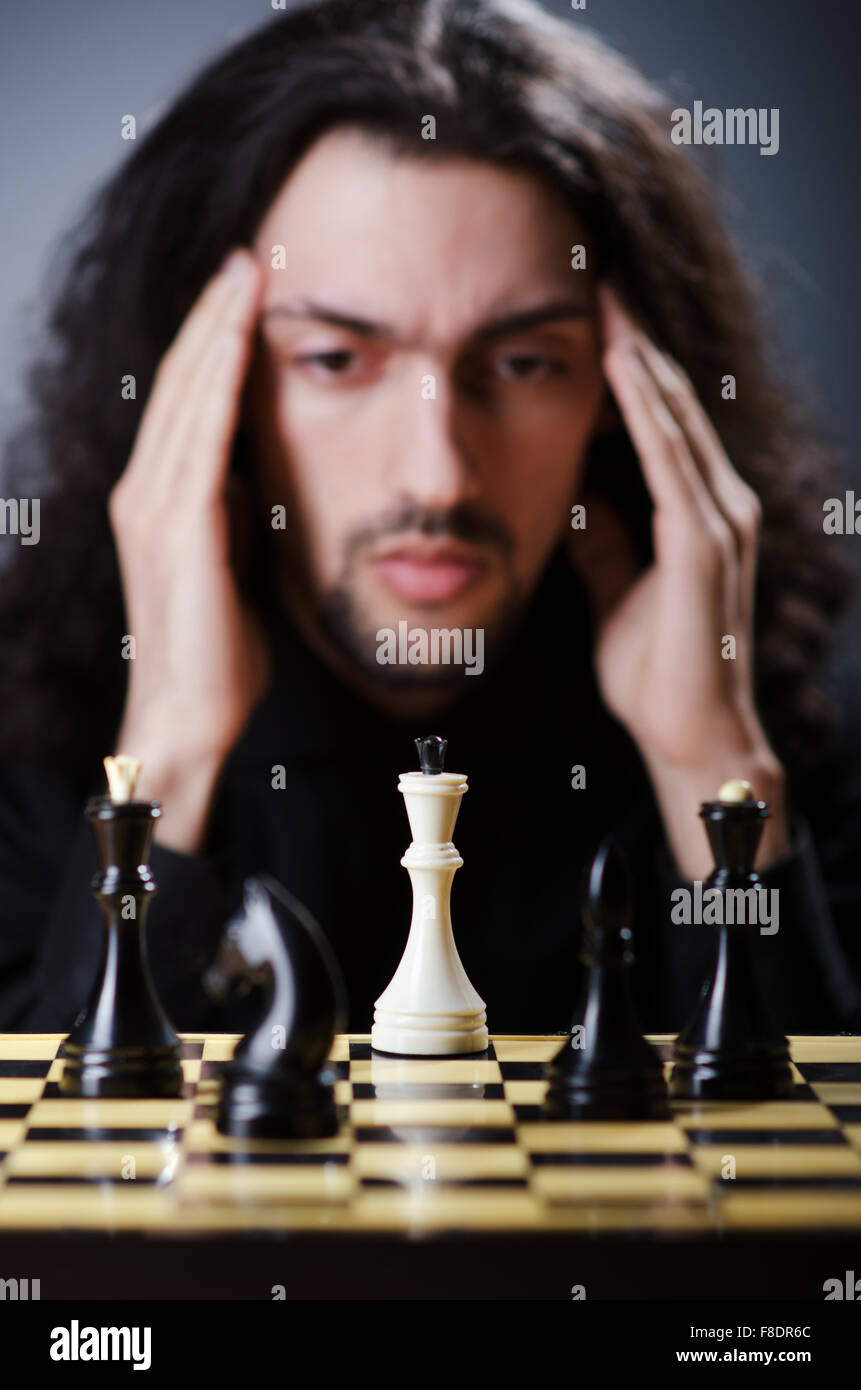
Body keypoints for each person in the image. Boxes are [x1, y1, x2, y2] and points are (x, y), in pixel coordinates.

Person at [1, 0, 859, 1034]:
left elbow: (805, 1175)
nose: (439, 474)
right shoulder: (32, 734)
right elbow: (53, 1180)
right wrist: (167, 755)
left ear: (628, 393)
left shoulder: (783, 727)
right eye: (335, 359)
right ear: (201, 379)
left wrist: (713, 767)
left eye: (524, 362)